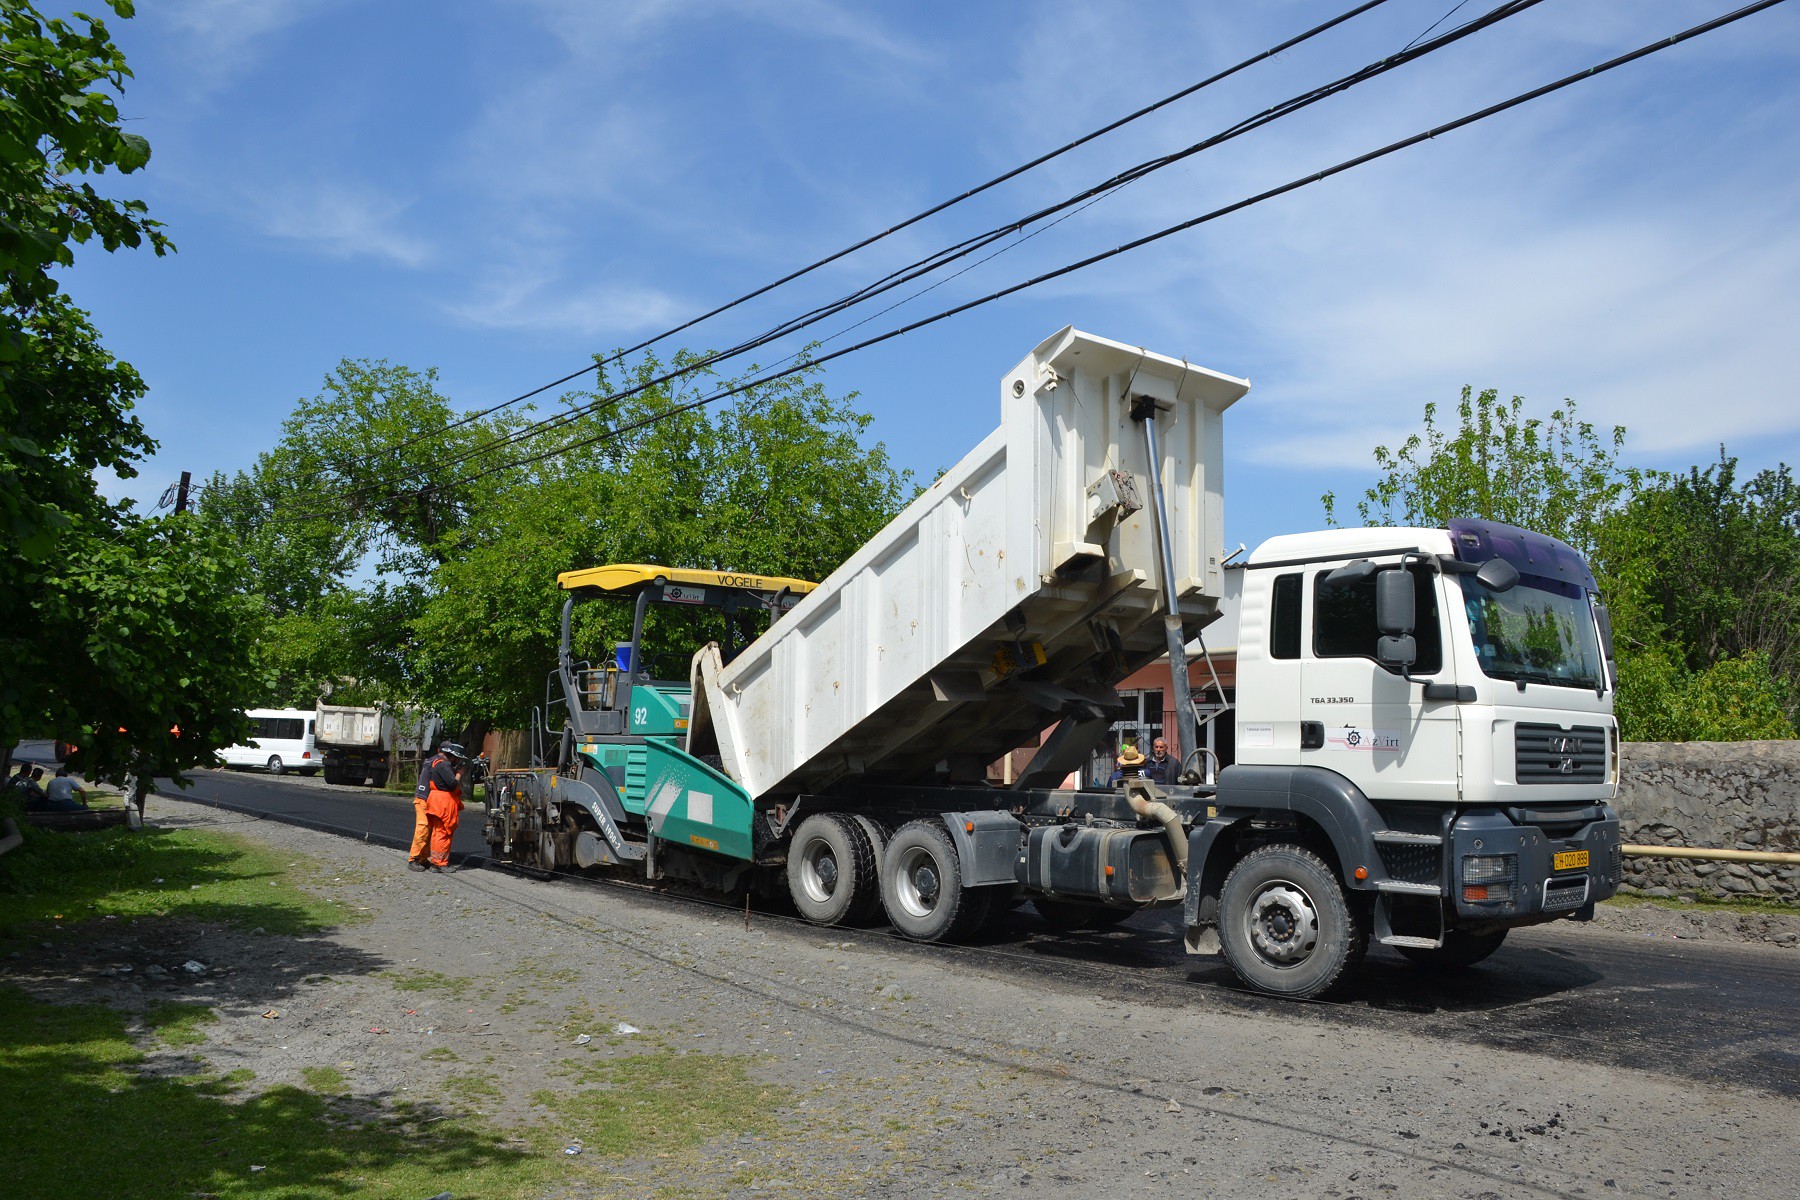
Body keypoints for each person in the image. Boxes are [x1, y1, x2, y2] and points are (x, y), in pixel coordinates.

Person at [414, 741, 467, 872]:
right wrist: (459, 773)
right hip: (442, 803)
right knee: (442, 832)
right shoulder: (443, 764)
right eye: (458, 758)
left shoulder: (435, 762)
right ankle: (436, 863)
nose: (458, 761)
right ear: (452, 756)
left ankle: (428, 860)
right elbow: (452, 784)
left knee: (437, 831)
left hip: (436, 801)